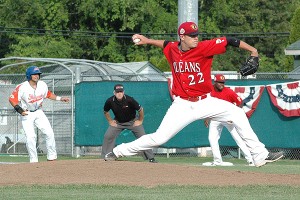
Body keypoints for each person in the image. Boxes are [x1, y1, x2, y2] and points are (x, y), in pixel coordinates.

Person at [105, 21, 283, 167]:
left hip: (205, 101)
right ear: (182, 37)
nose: (196, 38)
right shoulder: (172, 49)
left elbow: (230, 40)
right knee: (159, 138)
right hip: (182, 105)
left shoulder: (205, 47)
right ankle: (117, 151)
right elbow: (165, 44)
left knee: (237, 113)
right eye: (192, 35)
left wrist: (253, 51)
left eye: (197, 34)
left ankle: (260, 154)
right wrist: (147, 40)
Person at [9, 66, 70, 163]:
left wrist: (60, 98)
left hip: (38, 111)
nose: (37, 76)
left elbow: (48, 94)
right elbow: (12, 99)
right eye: (34, 74)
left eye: (38, 74)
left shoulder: (42, 85)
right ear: (29, 75)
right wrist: (19, 110)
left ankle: (52, 157)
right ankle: (33, 160)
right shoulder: (22, 87)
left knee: (49, 133)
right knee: (31, 137)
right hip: (27, 113)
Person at [202, 74, 254, 167]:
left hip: (227, 118)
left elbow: (240, 102)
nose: (222, 84)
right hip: (216, 118)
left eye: (223, 82)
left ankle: (251, 160)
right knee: (212, 138)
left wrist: (234, 116)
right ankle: (217, 161)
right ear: (215, 82)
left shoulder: (228, 92)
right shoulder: (210, 92)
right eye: (220, 82)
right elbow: (208, 105)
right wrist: (207, 117)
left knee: (237, 138)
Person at [102, 84, 157, 163]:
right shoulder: (110, 101)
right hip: (118, 122)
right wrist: (110, 121)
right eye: (117, 92)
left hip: (132, 121)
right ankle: (106, 156)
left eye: (121, 91)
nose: (119, 93)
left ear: (123, 92)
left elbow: (140, 109)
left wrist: (140, 120)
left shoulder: (129, 100)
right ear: (114, 93)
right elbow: (105, 111)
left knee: (143, 138)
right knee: (108, 136)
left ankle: (151, 158)